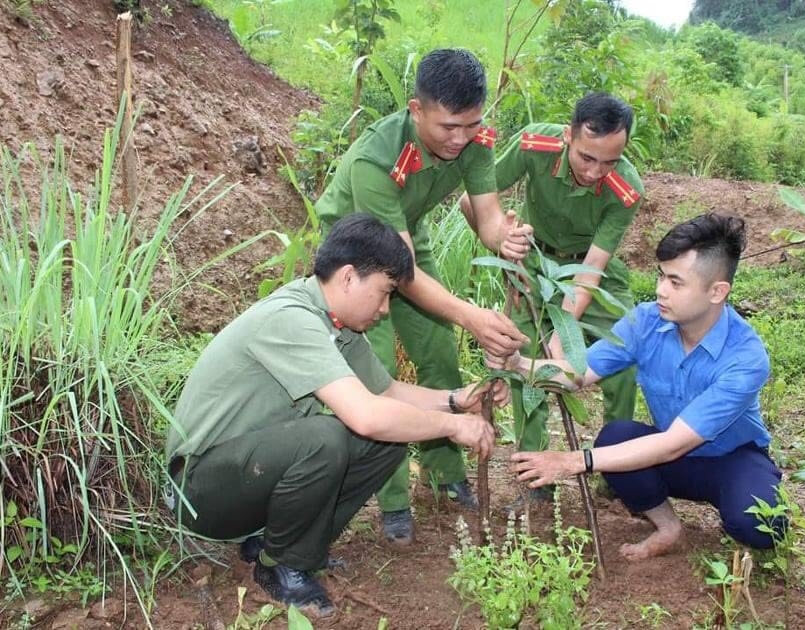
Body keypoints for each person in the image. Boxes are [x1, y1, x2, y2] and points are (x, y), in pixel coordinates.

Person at [166, 214, 506, 616]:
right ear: (348, 278)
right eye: (383, 293)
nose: (384, 309)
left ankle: (286, 544)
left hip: (247, 478)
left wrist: (456, 400)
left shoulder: (338, 326)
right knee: (327, 437)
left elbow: (389, 394)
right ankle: (282, 568)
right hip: (200, 492)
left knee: (388, 442)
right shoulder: (292, 318)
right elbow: (366, 415)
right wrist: (453, 426)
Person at [315, 48, 532, 544]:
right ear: (416, 110)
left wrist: (507, 239)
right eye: (447, 127)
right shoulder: (377, 158)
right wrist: (470, 315)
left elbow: (490, 218)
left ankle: (442, 470)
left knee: (439, 358)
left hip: (408, 239)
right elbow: (399, 270)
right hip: (356, 259)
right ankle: (392, 500)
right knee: (377, 375)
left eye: (471, 125)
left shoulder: (474, 141)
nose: (460, 139)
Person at [487, 213, 785, 560]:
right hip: (673, 459)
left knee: (759, 525)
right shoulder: (646, 321)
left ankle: (740, 507)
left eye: (676, 282)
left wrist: (572, 461)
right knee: (615, 439)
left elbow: (673, 444)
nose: (660, 290)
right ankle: (668, 526)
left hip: (732, 458)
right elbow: (578, 375)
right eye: (661, 276)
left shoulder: (745, 357)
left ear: (717, 291)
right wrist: (520, 364)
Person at [462, 92, 643, 507]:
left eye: (610, 161)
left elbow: (593, 269)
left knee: (623, 359)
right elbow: (471, 198)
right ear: (567, 136)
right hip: (535, 264)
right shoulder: (533, 145)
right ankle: (535, 482)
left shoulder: (626, 188)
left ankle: (615, 473)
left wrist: (562, 332)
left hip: (594, 277)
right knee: (522, 367)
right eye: (586, 158)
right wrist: (503, 247)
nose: (596, 171)